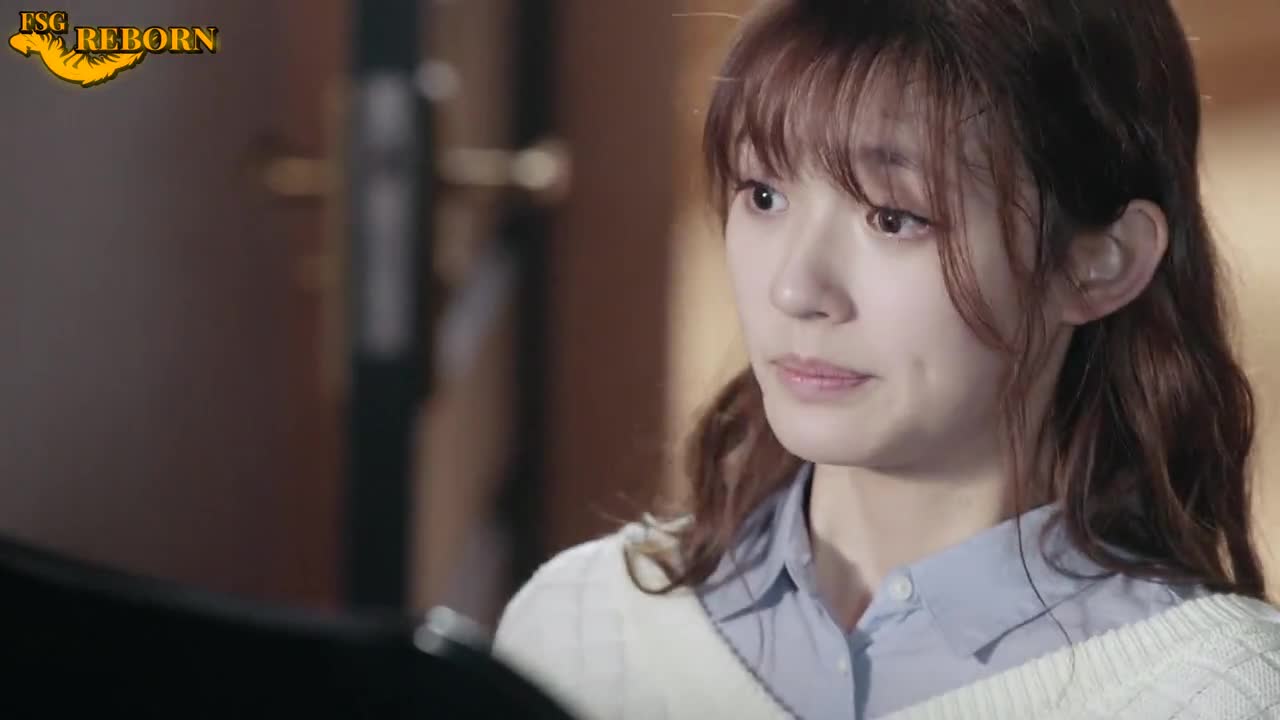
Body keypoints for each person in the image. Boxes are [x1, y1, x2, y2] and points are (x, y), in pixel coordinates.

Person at [492, 1, 1280, 718]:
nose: (796, 288)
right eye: (763, 195)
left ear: (1100, 264)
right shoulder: (586, 629)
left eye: (894, 218)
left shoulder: (1201, 697)